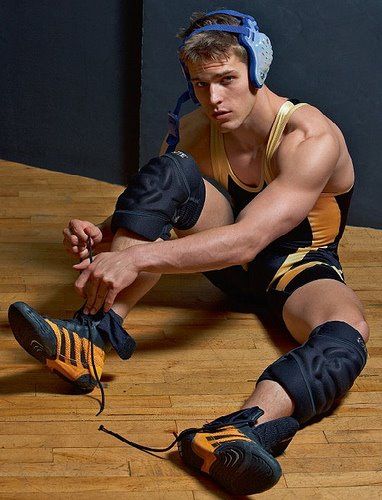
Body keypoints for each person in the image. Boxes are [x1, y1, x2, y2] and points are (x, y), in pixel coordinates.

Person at [8, 9, 369, 495]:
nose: (214, 98)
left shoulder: (309, 137)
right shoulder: (197, 128)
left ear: (256, 72)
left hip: (297, 263)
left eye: (227, 80)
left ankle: (242, 431)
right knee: (169, 170)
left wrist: (132, 257)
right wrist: (103, 234)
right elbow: (159, 206)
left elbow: (249, 239)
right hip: (224, 256)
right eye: (201, 84)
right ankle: (91, 336)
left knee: (347, 336)